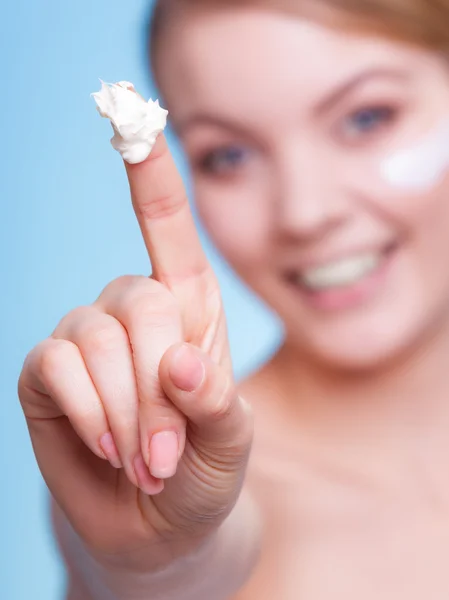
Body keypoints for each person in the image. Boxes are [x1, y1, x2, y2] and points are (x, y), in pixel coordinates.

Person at [18, 0, 449, 598]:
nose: (305, 213)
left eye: (367, 118)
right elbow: (174, 568)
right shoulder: (210, 487)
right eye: (229, 156)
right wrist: (151, 562)